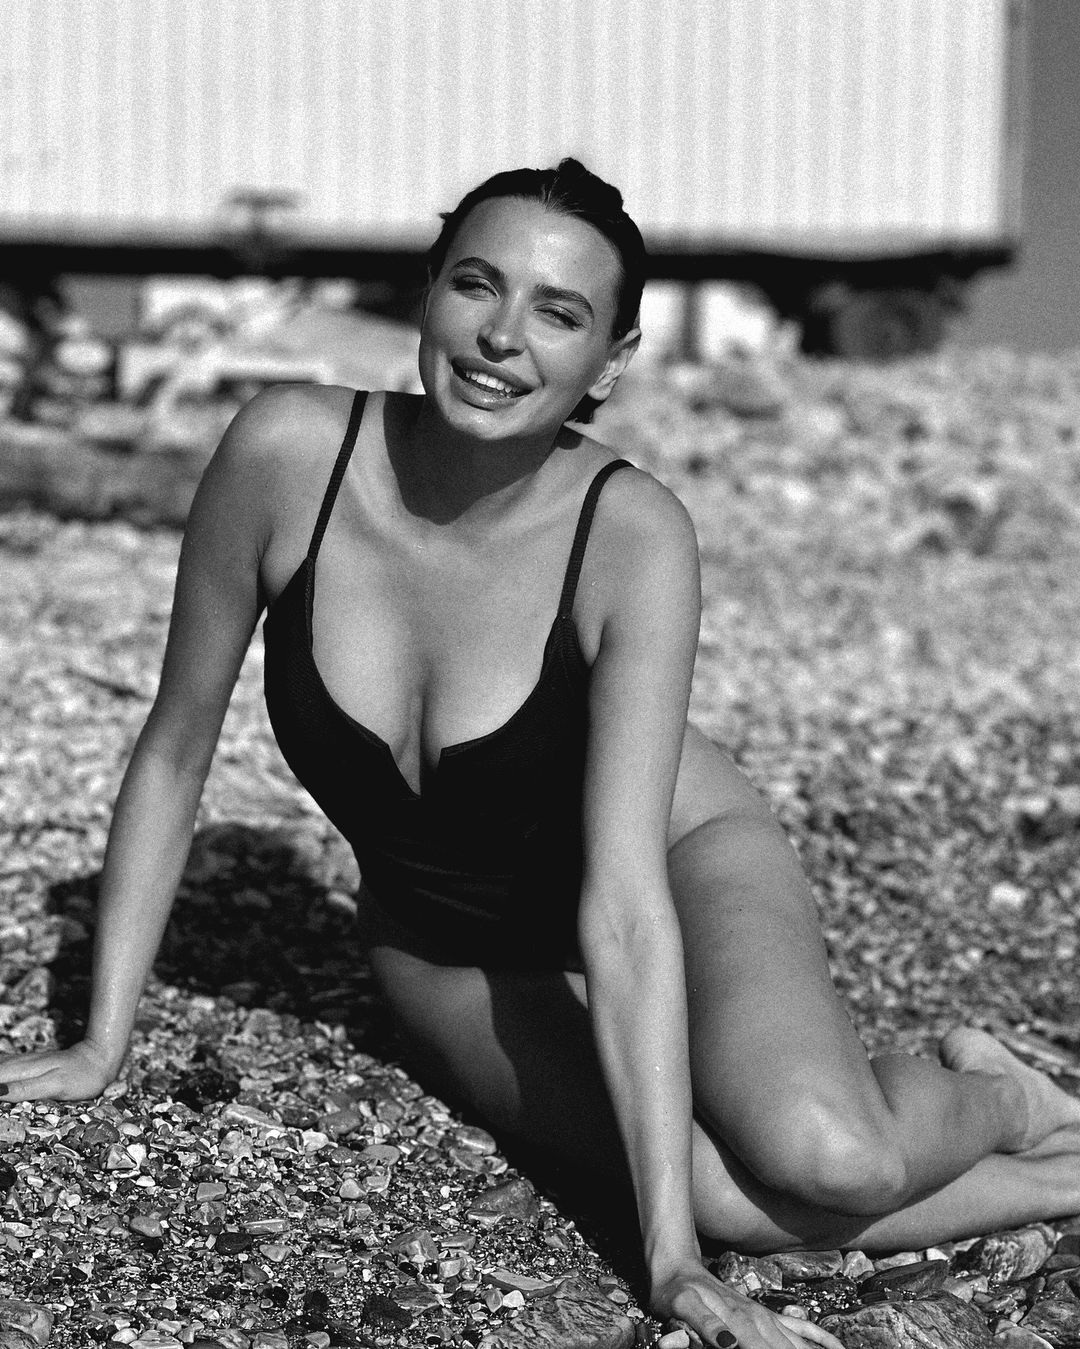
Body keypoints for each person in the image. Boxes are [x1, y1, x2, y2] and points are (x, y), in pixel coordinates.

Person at [2, 159, 1079, 1349]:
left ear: (608, 362)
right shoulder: (286, 457)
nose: (503, 336)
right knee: (730, 1199)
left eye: (559, 313)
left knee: (833, 1157)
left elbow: (623, 899)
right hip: (445, 942)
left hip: (674, 858)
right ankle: (1055, 1176)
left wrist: (667, 1265)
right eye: (478, 285)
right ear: (429, 294)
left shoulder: (632, 534)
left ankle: (993, 1094)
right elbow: (175, 748)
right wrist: (100, 1041)